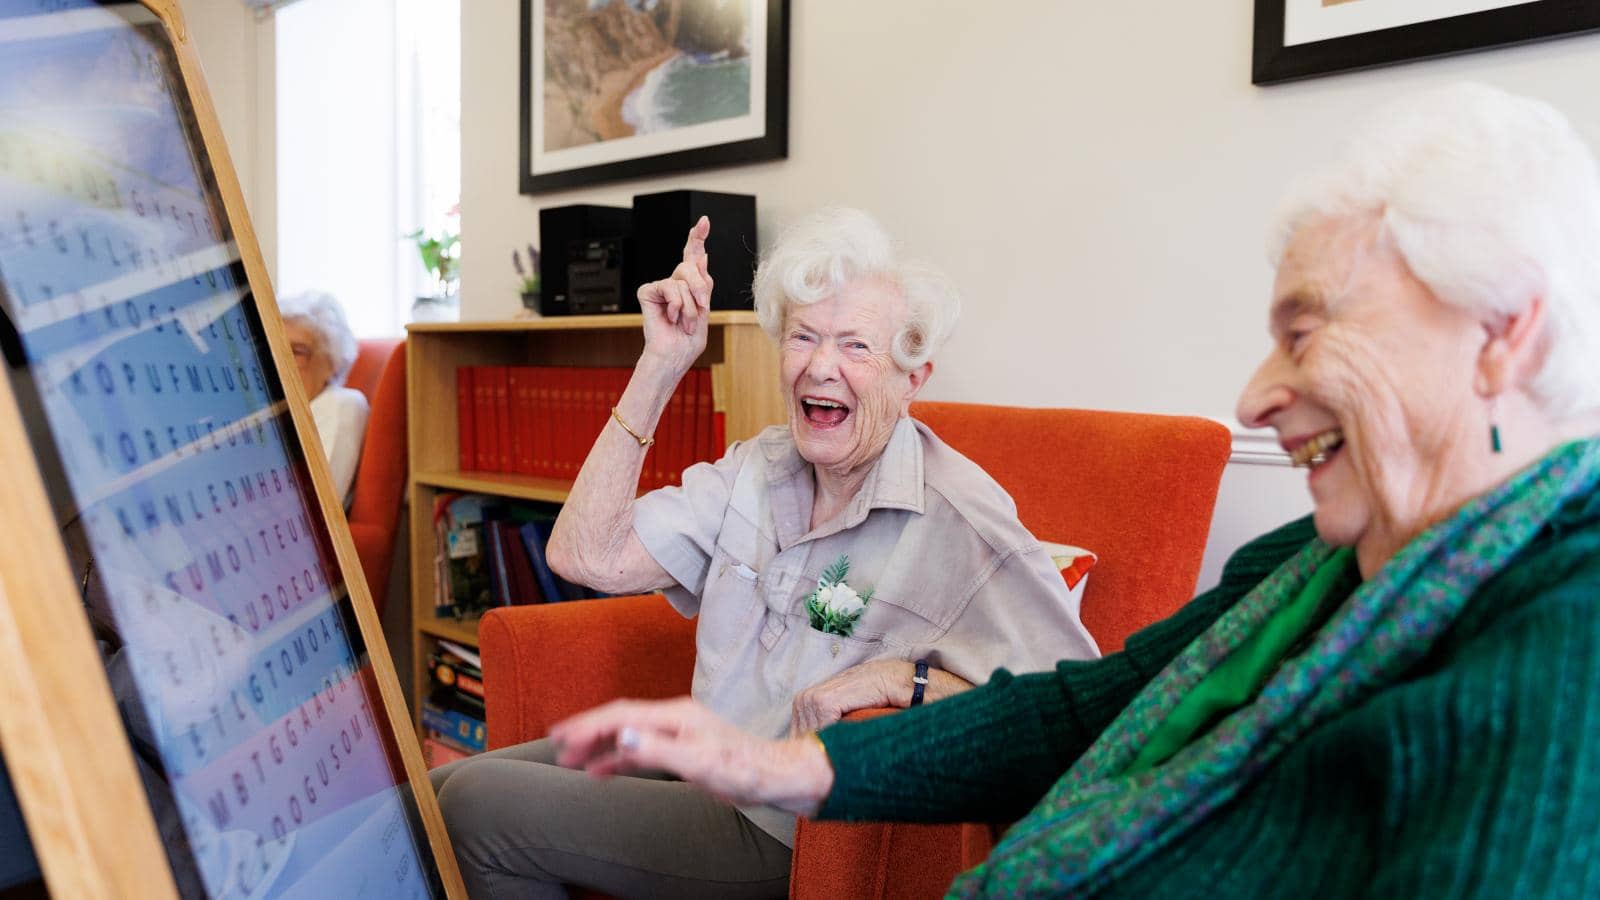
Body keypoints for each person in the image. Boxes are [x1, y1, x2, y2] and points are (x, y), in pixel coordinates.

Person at [551, 83, 1600, 898]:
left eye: (1308, 332)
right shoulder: (1304, 565)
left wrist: (881, 700)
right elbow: (1086, 710)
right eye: (805, 341)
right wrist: (790, 764)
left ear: (1503, 332)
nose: (1254, 395)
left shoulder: (1563, 650)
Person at [428, 208, 1101, 897]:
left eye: (856, 347)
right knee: (431, 795)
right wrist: (661, 365)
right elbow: (585, 556)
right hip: (699, 761)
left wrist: (907, 682)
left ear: (913, 380)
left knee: (480, 807)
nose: (820, 366)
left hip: (781, 826)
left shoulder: (959, 517)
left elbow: (1086, 716)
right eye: (803, 336)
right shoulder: (760, 466)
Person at [278, 291, 369, 505]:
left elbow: (315, 503)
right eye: (276, 349)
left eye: (297, 352)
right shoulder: (282, 412)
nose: (280, 363)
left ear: (332, 362)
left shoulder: (342, 405)